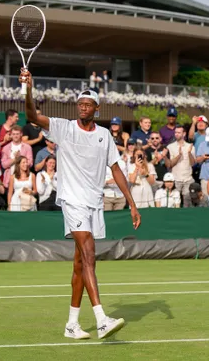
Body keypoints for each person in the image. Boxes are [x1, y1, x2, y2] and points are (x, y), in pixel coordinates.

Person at [20, 68, 140, 340]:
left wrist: (131, 203)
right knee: (89, 254)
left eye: (88, 105)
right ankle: (100, 319)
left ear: (97, 109)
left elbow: (117, 169)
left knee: (79, 264)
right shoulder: (62, 127)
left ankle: (72, 324)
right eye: (80, 104)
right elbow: (30, 116)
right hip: (72, 201)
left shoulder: (105, 136)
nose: (83, 108)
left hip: (94, 203)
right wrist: (28, 89)